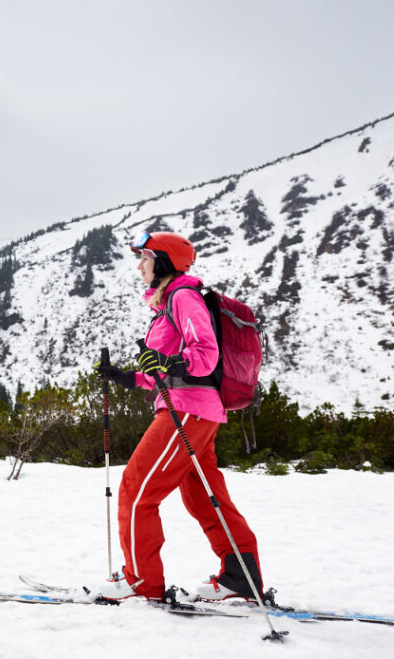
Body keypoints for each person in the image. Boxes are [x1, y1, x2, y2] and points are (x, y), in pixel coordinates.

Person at [85, 231, 262, 603]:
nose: (140, 266)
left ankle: (141, 583)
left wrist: (168, 362)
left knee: (136, 490)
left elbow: (204, 355)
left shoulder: (183, 296)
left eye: (145, 259)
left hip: (187, 410)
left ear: (163, 262)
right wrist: (127, 377)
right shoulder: (170, 302)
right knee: (203, 496)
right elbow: (164, 371)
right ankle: (239, 578)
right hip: (196, 409)